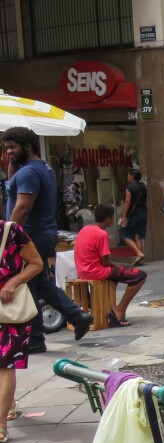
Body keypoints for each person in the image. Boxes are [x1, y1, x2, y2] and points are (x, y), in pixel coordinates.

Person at [2, 127, 93, 351]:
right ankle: (77, 315)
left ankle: (34, 341)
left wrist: (9, 237)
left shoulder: (28, 173)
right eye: (6, 148)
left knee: (26, 285)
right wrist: (13, 161)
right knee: (40, 282)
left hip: (30, 236)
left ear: (28, 146)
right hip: (42, 234)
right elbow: (13, 184)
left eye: (13, 148)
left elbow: (22, 207)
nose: (9, 153)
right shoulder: (42, 168)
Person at [0, 218, 42, 443]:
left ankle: (1, 425)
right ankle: (8, 403)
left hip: (9, 309)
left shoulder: (11, 231)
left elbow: (36, 263)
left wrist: (12, 283)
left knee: (5, 363)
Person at [74, 204, 147, 327]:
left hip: (82, 270)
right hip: (95, 271)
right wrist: (116, 266)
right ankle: (119, 310)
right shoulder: (101, 234)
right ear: (108, 219)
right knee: (140, 275)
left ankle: (108, 308)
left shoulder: (84, 229)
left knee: (116, 274)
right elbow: (105, 262)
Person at [118, 169, 147, 266]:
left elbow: (127, 202)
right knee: (138, 236)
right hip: (143, 213)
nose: (127, 177)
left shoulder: (130, 187)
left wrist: (124, 216)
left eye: (128, 175)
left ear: (132, 177)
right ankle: (140, 259)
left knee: (124, 234)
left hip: (134, 214)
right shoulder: (143, 186)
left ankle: (139, 253)